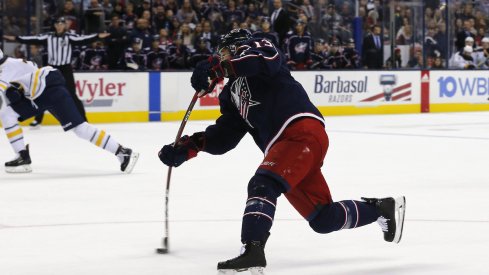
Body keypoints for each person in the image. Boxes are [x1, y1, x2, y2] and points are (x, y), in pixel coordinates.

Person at [158, 29, 406, 274]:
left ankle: (253, 251)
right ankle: (380, 209)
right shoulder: (230, 94)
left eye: (223, 52)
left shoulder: (260, 47)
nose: (220, 57)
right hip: (286, 149)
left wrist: (218, 66)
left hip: (300, 131)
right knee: (322, 219)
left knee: (263, 184)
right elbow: (225, 137)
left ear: (235, 48)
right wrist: (189, 147)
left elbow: (257, 61)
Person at [0, 49, 139, 174]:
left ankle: (122, 152)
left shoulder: (6, 69)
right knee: (8, 115)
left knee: (81, 129)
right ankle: (22, 156)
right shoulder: (13, 64)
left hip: (52, 91)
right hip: (39, 95)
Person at [3, 17, 111, 127]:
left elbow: (84, 39)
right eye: (57, 23)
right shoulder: (48, 36)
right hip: (52, 68)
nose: (59, 25)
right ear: (55, 25)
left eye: (61, 23)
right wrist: (15, 38)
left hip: (65, 69)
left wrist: (97, 36)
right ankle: (38, 120)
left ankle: (84, 120)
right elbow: (31, 39)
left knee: (72, 94)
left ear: (65, 25)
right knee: (42, 93)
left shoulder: (70, 37)